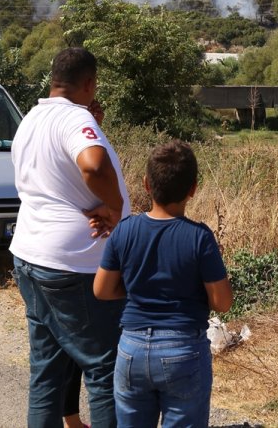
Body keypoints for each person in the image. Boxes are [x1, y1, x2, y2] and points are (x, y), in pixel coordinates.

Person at [11, 47, 130, 428]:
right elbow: (93, 164)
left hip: (30, 256)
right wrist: (114, 207)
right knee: (104, 366)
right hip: (74, 264)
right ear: (90, 83)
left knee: (46, 371)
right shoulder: (74, 119)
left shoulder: (31, 118)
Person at [93, 140, 233, 428]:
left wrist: (132, 289)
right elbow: (223, 302)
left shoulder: (125, 231)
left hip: (131, 347)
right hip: (183, 348)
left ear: (146, 184)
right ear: (193, 189)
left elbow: (102, 289)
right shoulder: (199, 237)